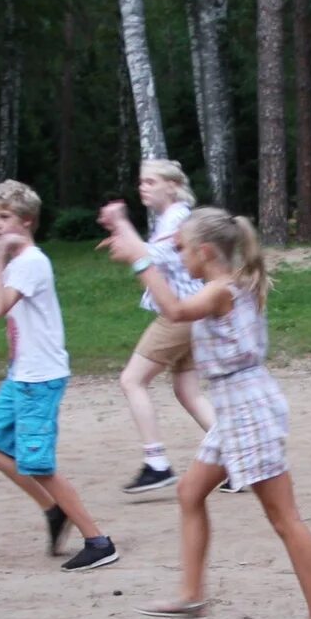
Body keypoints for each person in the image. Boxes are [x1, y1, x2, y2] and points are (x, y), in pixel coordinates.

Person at [102, 201, 311, 619]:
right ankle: (192, 595)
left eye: (183, 250)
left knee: (284, 517)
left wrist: (138, 254)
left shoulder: (222, 291)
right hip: (235, 408)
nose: (178, 259)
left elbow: (172, 310)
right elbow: (175, 297)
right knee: (190, 491)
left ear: (206, 251)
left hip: (248, 409)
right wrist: (128, 235)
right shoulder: (226, 283)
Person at [0, 179, 117, 572]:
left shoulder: (32, 262)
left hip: (40, 377)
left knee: (38, 464)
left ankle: (98, 540)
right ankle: (54, 510)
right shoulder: (14, 261)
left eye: (6, 218)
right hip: (21, 373)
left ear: (28, 221)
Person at [114, 159, 215, 499]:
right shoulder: (171, 217)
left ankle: (156, 463)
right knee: (188, 391)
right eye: (142, 182)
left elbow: (158, 257)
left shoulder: (178, 217)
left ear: (172, 185)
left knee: (132, 380)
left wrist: (123, 231)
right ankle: (235, 457)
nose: (143, 187)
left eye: (151, 181)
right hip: (192, 314)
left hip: (179, 314)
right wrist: (129, 243)